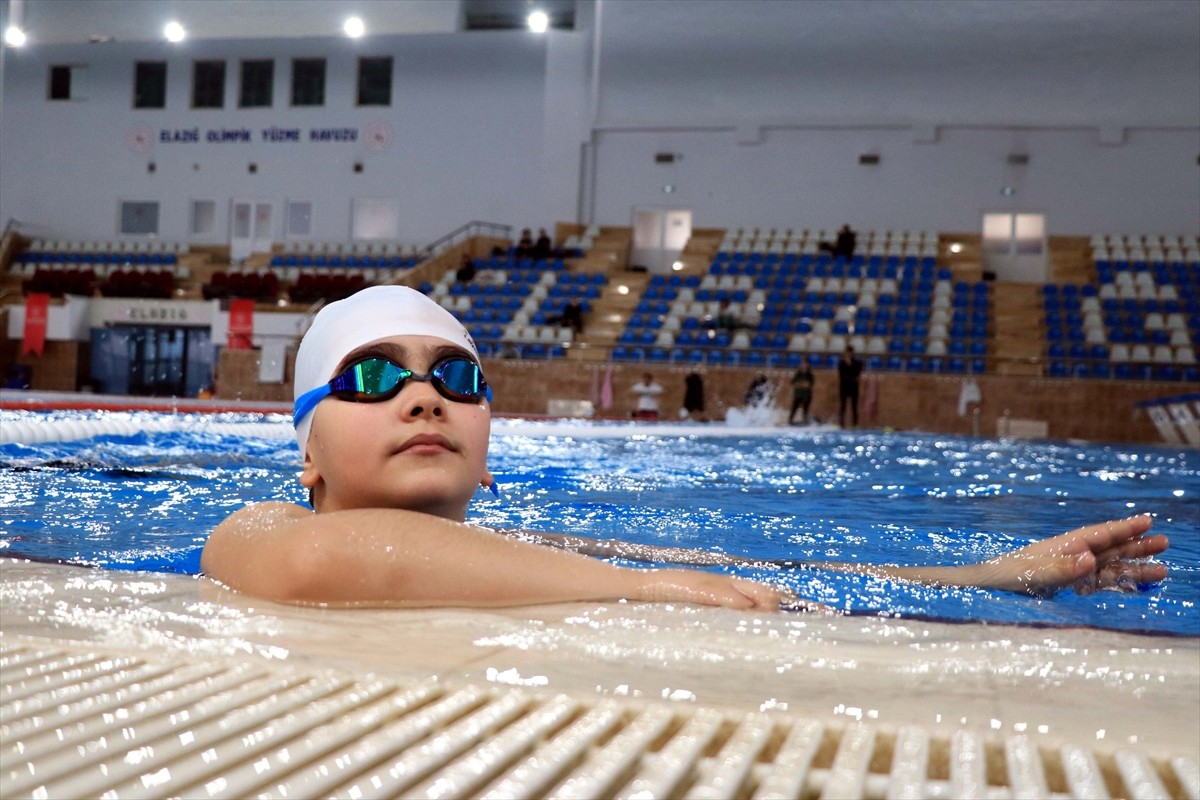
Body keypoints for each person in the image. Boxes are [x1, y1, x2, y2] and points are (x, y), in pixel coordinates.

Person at [201, 285, 1170, 611]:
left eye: (456, 376)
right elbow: (319, 561)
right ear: (307, 455)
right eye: (373, 375)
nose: (423, 394)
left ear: (489, 453)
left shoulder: (552, 554)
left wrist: (994, 575)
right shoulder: (255, 527)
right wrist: (651, 590)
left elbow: (780, 576)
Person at [838, 345, 864, 428]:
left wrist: (849, 365)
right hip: (844, 387)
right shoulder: (842, 363)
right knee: (843, 406)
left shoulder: (857, 363)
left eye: (850, 352)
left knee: (854, 406)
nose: (848, 354)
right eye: (847, 352)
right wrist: (850, 376)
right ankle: (841, 423)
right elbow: (842, 375)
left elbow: (857, 374)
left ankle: (855, 423)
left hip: (853, 387)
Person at [789, 359, 815, 424]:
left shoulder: (809, 375)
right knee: (794, 408)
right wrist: (802, 384)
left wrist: (800, 384)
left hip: (806, 395)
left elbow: (808, 384)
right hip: (798, 394)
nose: (804, 366)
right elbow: (793, 382)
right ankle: (790, 421)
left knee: (805, 409)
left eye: (805, 364)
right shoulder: (798, 374)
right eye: (803, 364)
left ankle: (805, 421)